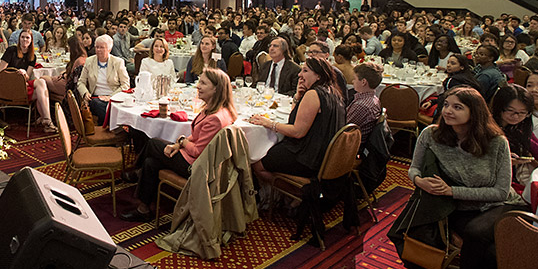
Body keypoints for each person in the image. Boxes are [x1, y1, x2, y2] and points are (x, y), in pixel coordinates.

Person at [406, 87, 525, 269]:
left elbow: (501, 191)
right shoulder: (432, 135)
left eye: (458, 107)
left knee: (476, 234)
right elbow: (413, 167)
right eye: (447, 105)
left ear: (475, 112)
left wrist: (452, 190)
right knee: (492, 252)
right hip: (461, 210)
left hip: (501, 206)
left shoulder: (496, 141)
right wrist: (419, 181)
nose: (448, 110)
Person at [121, 68, 237, 222]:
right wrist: (178, 144)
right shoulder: (213, 109)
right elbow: (196, 137)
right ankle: (143, 208)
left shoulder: (215, 118)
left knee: (153, 143)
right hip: (192, 158)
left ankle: (136, 171)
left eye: (203, 83)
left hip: (197, 167)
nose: (198, 86)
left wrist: (182, 142)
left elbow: (197, 151)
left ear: (216, 89)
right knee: (151, 162)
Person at [251, 57, 346, 180]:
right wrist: (297, 97)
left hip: (308, 156)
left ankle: (298, 194)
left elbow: (297, 132)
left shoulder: (313, 94)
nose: (300, 74)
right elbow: (295, 118)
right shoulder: (333, 91)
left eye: (305, 71)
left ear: (318, 76)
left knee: (257, 160)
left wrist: (269, 123)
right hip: (326, 153)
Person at [0, 30, 57, 133]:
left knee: (42, 83)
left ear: (31, 40)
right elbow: (0, 72)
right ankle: (47, 122)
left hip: (22, 85)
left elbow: (27, 77)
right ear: (19, 39)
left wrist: (24, 74)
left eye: (27, 38)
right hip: (9, 85)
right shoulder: (11, 50)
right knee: (41, 91)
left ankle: (47, 120)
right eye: (22, 37)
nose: (24, 40)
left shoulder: (32, 56)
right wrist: (16, 73)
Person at [76, 34, 130, 125]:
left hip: (113, 97)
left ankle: (106, 124)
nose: (98, 50)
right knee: (97, 103)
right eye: (97, 47)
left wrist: (111, 97)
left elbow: (126, 84)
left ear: (109, 49)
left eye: (102, 47)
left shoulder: (118, 62)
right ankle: (112, 124)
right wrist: (85, 93)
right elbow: (81, 82)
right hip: (95, 98)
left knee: (107, 107)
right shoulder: (89, 61)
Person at [41, 36, 87, 103]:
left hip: (67, 86)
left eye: (68, 46)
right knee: (44, 79)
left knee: (42, 79)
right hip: (66, 81)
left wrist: (65, 75)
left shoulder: (79, 61)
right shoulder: (83, 56)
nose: (68, 48)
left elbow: (73, 80)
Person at [348, 62, 383, 143]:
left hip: (352, 144)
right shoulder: (374, 99)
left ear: (363, 82)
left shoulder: (361, 106)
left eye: (355, 78)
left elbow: (342, 129)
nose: (353, 81)